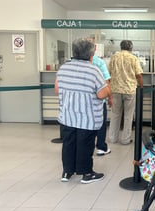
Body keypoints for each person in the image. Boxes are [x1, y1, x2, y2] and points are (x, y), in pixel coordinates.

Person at [55, 38, 111, 184]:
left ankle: (67, 172)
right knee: (85, 145)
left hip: (67, 115)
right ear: (91, 55)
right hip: (87, 117)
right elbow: (102, 94)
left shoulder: (64, 68)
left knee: (68, 144)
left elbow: (57, 89)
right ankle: (86, 173)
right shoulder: (93, 71)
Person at [108, 40, 143, 145]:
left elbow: (108, 73)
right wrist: (141, 86)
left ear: (120, 47)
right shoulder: (133, 58)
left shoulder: (114, 57)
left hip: (115, 90)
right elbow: (139, 75)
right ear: (131, 48)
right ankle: (125, 140)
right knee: (128, 115)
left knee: (115, 114)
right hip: (129, 90)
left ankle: (113, 138)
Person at [90, 41, 113, 156]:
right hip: (99, 100)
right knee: (101, 123)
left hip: (81, 101)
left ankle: (85, 147)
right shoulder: (99, 62)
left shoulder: (73, 62)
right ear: (94, 49)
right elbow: (106, 82)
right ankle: (101, 147)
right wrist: (110, 97)